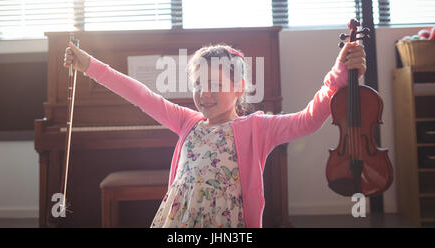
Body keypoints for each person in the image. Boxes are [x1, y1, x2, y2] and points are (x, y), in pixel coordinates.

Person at [64, 40, 366, 228]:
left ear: (238, 89)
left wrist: (339, 75)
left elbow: (307, 120)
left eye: (215, 85)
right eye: (197, 85)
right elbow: (140, 94)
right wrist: (88, 65)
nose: (204, 94)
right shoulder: (187, 122)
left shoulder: (256, 128)